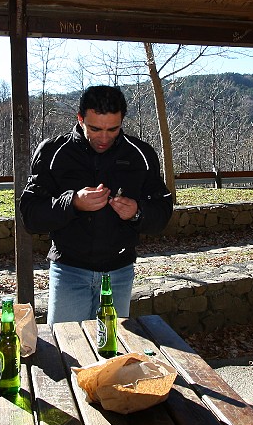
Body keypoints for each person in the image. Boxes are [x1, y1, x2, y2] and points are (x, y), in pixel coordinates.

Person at [19, 85, 173, 324]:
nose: (103, 137)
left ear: (122, 121)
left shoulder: (140, 154)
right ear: (80, 119)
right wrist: (73, 203)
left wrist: (137, 212)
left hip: (119, 273)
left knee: (110, 349)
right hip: (68, 270)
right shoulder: (52, 152)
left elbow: (163, 212)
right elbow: (30, 215)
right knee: (66, 350)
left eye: (113, 129)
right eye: (95, 128)